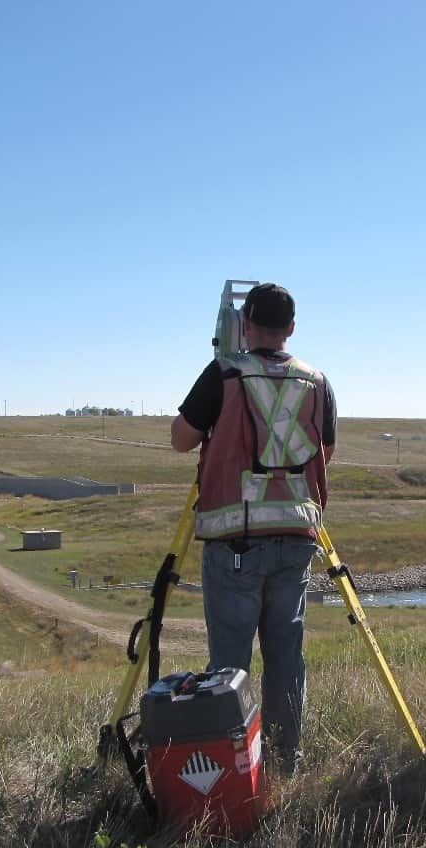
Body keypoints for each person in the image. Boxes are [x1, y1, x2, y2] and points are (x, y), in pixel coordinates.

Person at [171, 283, 337, 774]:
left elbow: (181, 440)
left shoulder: (225, 372)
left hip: (236, 540)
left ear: (243, 326)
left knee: (229, 664)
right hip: (296, 538)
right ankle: (286, 761)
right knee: (287, 655)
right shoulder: (317, 381)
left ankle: (232, 767)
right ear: (291, 328)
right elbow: (324, 453)